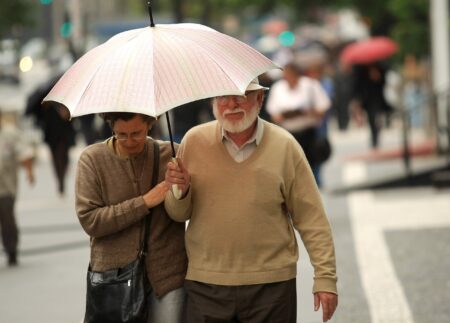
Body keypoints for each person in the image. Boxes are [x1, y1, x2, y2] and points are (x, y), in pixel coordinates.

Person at [165, 78, 338, 322]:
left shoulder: (285, 145)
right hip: (206, 285)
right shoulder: (193, 142)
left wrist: (325, 278)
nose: (232, 104)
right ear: (214, 102)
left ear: (260, 99)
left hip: (272, 286)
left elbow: (312, 219)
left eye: (242, 96)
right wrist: (179, 191)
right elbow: (177, 214)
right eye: (224, 97)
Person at [75, 112, 187, 323]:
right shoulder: (92, 159)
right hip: (114, 277)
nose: (129, 141)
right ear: (111, 128)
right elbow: (91, 220)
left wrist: (183, 189)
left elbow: (186, 211)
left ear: (150, 124)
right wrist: (144, 202)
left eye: (136, 133)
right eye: (121, 134)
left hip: (168, 274)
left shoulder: (171, 154)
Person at [265, 62, 331, 185]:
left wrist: (309, 112)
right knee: (293, 163)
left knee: (312, 160)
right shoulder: (278, 88)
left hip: (309, 130)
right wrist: (285, 115)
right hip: (289, 132)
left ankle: (314, 183)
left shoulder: (310, 85)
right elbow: (273, 112)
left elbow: (323, 106)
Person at [25, 74, 77, 196]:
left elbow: (74, 116)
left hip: (65, 133)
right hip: (51, 134)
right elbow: (36, 114)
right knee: (55, 157)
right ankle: (60, 180)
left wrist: (67, 114)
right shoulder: (44, 100)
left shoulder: (66, 98)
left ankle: (62, 178)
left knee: (64, 156)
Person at [0, 110, 34, 266]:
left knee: (7, 218)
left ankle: (11, 249)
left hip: (6, 188)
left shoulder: (10, 134)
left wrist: (29, 171)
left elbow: (24, 152)